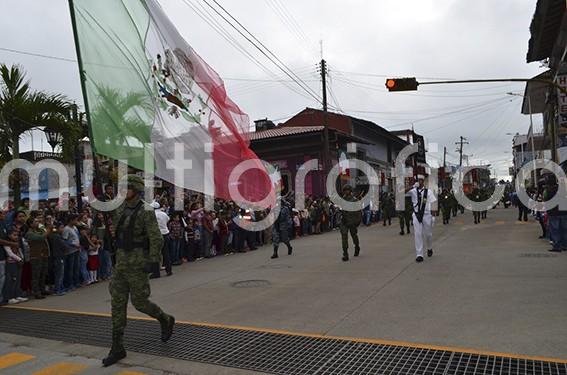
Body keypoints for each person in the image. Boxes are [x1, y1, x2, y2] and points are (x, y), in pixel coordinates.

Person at [103, 175, 175, 367]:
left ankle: (165, 319)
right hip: (121, 263)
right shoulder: (119, 207)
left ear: (135, 189)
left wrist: (153, 261)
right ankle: (117, 347)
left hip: (138, 263)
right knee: (117, 304)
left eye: (126, 188)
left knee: (140, 302)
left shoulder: (146, 210)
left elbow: (156, 238)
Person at [409, 176, 437, 263]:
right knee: (418, 234)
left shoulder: (428, 192)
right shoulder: (413, 191)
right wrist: (412, 186)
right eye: (418, 180)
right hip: (417, 215)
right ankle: (419, 254)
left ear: (423, 181)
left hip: (427, 215)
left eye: (421, 180)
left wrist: (433, 216)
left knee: (428, 234)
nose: (419, 182)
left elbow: (433, 203)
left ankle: (429, 247)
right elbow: (401, 192)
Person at [24, 217, 50, 299]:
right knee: (36, 275)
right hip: (35, 256)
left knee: (43, 274)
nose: (38, 222)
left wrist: (43, 227)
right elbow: (41, 237)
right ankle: (36, 292)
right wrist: (48, 230)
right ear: (31, 224)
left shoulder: (39, 230)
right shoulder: (29, 233)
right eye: (35, 221)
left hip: (43, 255)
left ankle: (42, 289)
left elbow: (44, 232)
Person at [339, 185, 362, 262]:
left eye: (347, 190)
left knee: (354, 235)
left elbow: (359, 212)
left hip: (352, 221)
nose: (346, 192)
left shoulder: (354, 200)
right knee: (344, 237)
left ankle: (357, 247)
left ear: (350, 191)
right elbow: (339, 210)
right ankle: (345, 253)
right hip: (344, 221)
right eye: (345, 190)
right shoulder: (342, 200)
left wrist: (357, 222)